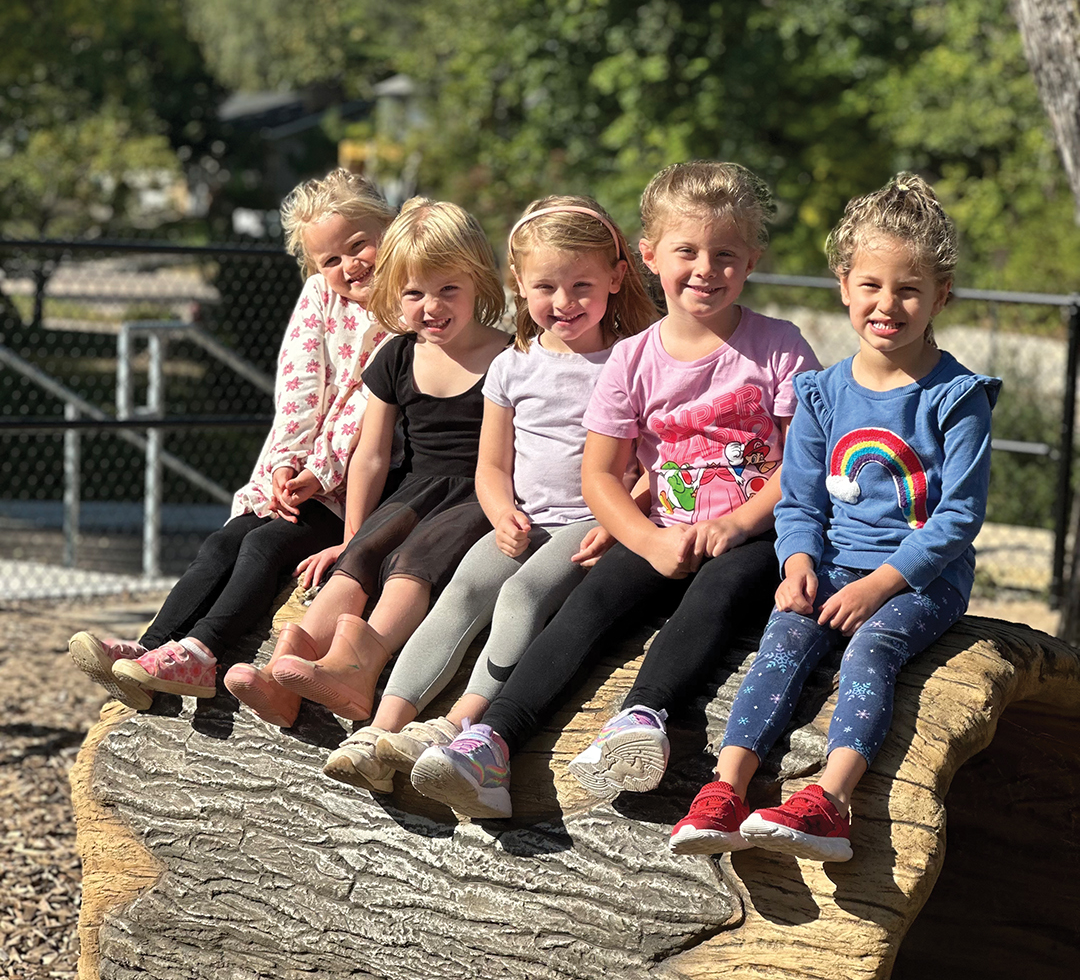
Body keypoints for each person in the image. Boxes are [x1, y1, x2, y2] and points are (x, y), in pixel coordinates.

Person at [410, 160, 820, 819]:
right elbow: (600, 475)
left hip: (758, 534)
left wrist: (740, 523)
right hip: (660, 529)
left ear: (752, 261)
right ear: (651, 255)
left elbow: (802, 460)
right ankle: (490, 741)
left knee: (715, 595)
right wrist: (645, 540)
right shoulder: (635, 358)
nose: (705, 268)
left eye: (725, 254)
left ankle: (642, 715)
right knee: (589, 603)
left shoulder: (778, 347)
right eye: (687, 251)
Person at [669, 173, 1000, 862]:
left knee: (872, 648)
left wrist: (878, 586)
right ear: (844, 284)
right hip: (829, 565)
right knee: (783, 637)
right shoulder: (820, 394)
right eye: (872, 286)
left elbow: (958, 518)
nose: (888, 305)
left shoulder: (957, 398)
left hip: (918, 578)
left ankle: (832, 799)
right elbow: (800, 502)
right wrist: (795, 566)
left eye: (909, 290)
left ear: (941, 295)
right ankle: (727, 789)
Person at [323, 194, 658, 792]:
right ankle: (381, 729)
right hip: (524, 519)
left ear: (616, 275)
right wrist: (501, 511)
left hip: (591, 522)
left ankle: (457, 724)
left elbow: (655, 456)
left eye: (582, 285)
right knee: (463, 590)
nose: (564, 303)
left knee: (522, 595)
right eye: (546, 287)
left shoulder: (634, 359)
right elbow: (492, 466)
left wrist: (625, 517)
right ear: (518, 285)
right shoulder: (513, 364)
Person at [68, 168, 396, 718]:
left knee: (264, 548)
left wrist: (321, 473)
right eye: (330, 260)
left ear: (388, 227)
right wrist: (284, 468)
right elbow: (298, 385)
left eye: (359, 245)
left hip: (354, 488)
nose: (349, 266)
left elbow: (365, 408)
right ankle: (152, 650)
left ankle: (203, 652)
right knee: (226, 541)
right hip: (306, 473)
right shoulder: (321, 296)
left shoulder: (408, 303)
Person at [260, 197, 510, 724]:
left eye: (448, 290)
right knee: (362, 558)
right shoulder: (397, 353)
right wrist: (351, 537)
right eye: (414, 293)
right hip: (416, 487)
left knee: (415, 561)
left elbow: (505, 454)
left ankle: (361, 666)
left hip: (478, 493)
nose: (432, 307)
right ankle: (288, 672)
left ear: (478, 284)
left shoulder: (506, 357)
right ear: (394, 292)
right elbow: (371, 457)